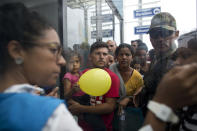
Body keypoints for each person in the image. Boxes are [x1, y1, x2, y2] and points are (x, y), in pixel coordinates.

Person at [0, 2, 82, 131]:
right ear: (16, 51)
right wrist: (40, 107)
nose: (62, 61)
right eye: (54, 50)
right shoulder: (52, 115)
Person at [68, 42, 120, 131]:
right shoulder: (84, 74)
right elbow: (71, 97)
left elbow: (110, 107)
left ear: (108, 57)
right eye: (97, 53)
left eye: (105, 54)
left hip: (102, 127)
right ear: (90, 57)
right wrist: (72, 92)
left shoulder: (112, 77)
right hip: (82, 126)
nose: (101, 57)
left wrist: (81, 109)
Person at [140, 12, 179, 115]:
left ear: (176, 34)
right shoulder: (157, 57)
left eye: (166, 33)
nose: (160, 39)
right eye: (154, 34)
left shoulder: (181, 61)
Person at [109, 43, 144, 131]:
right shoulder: (110, 71)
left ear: (132, 57)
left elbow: (140, 96)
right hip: (109, 113)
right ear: (116, 57)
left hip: (129, 115)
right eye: (121, 54)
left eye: (127, 55)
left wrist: (129, 99)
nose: (124, 57)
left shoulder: (137, 77)